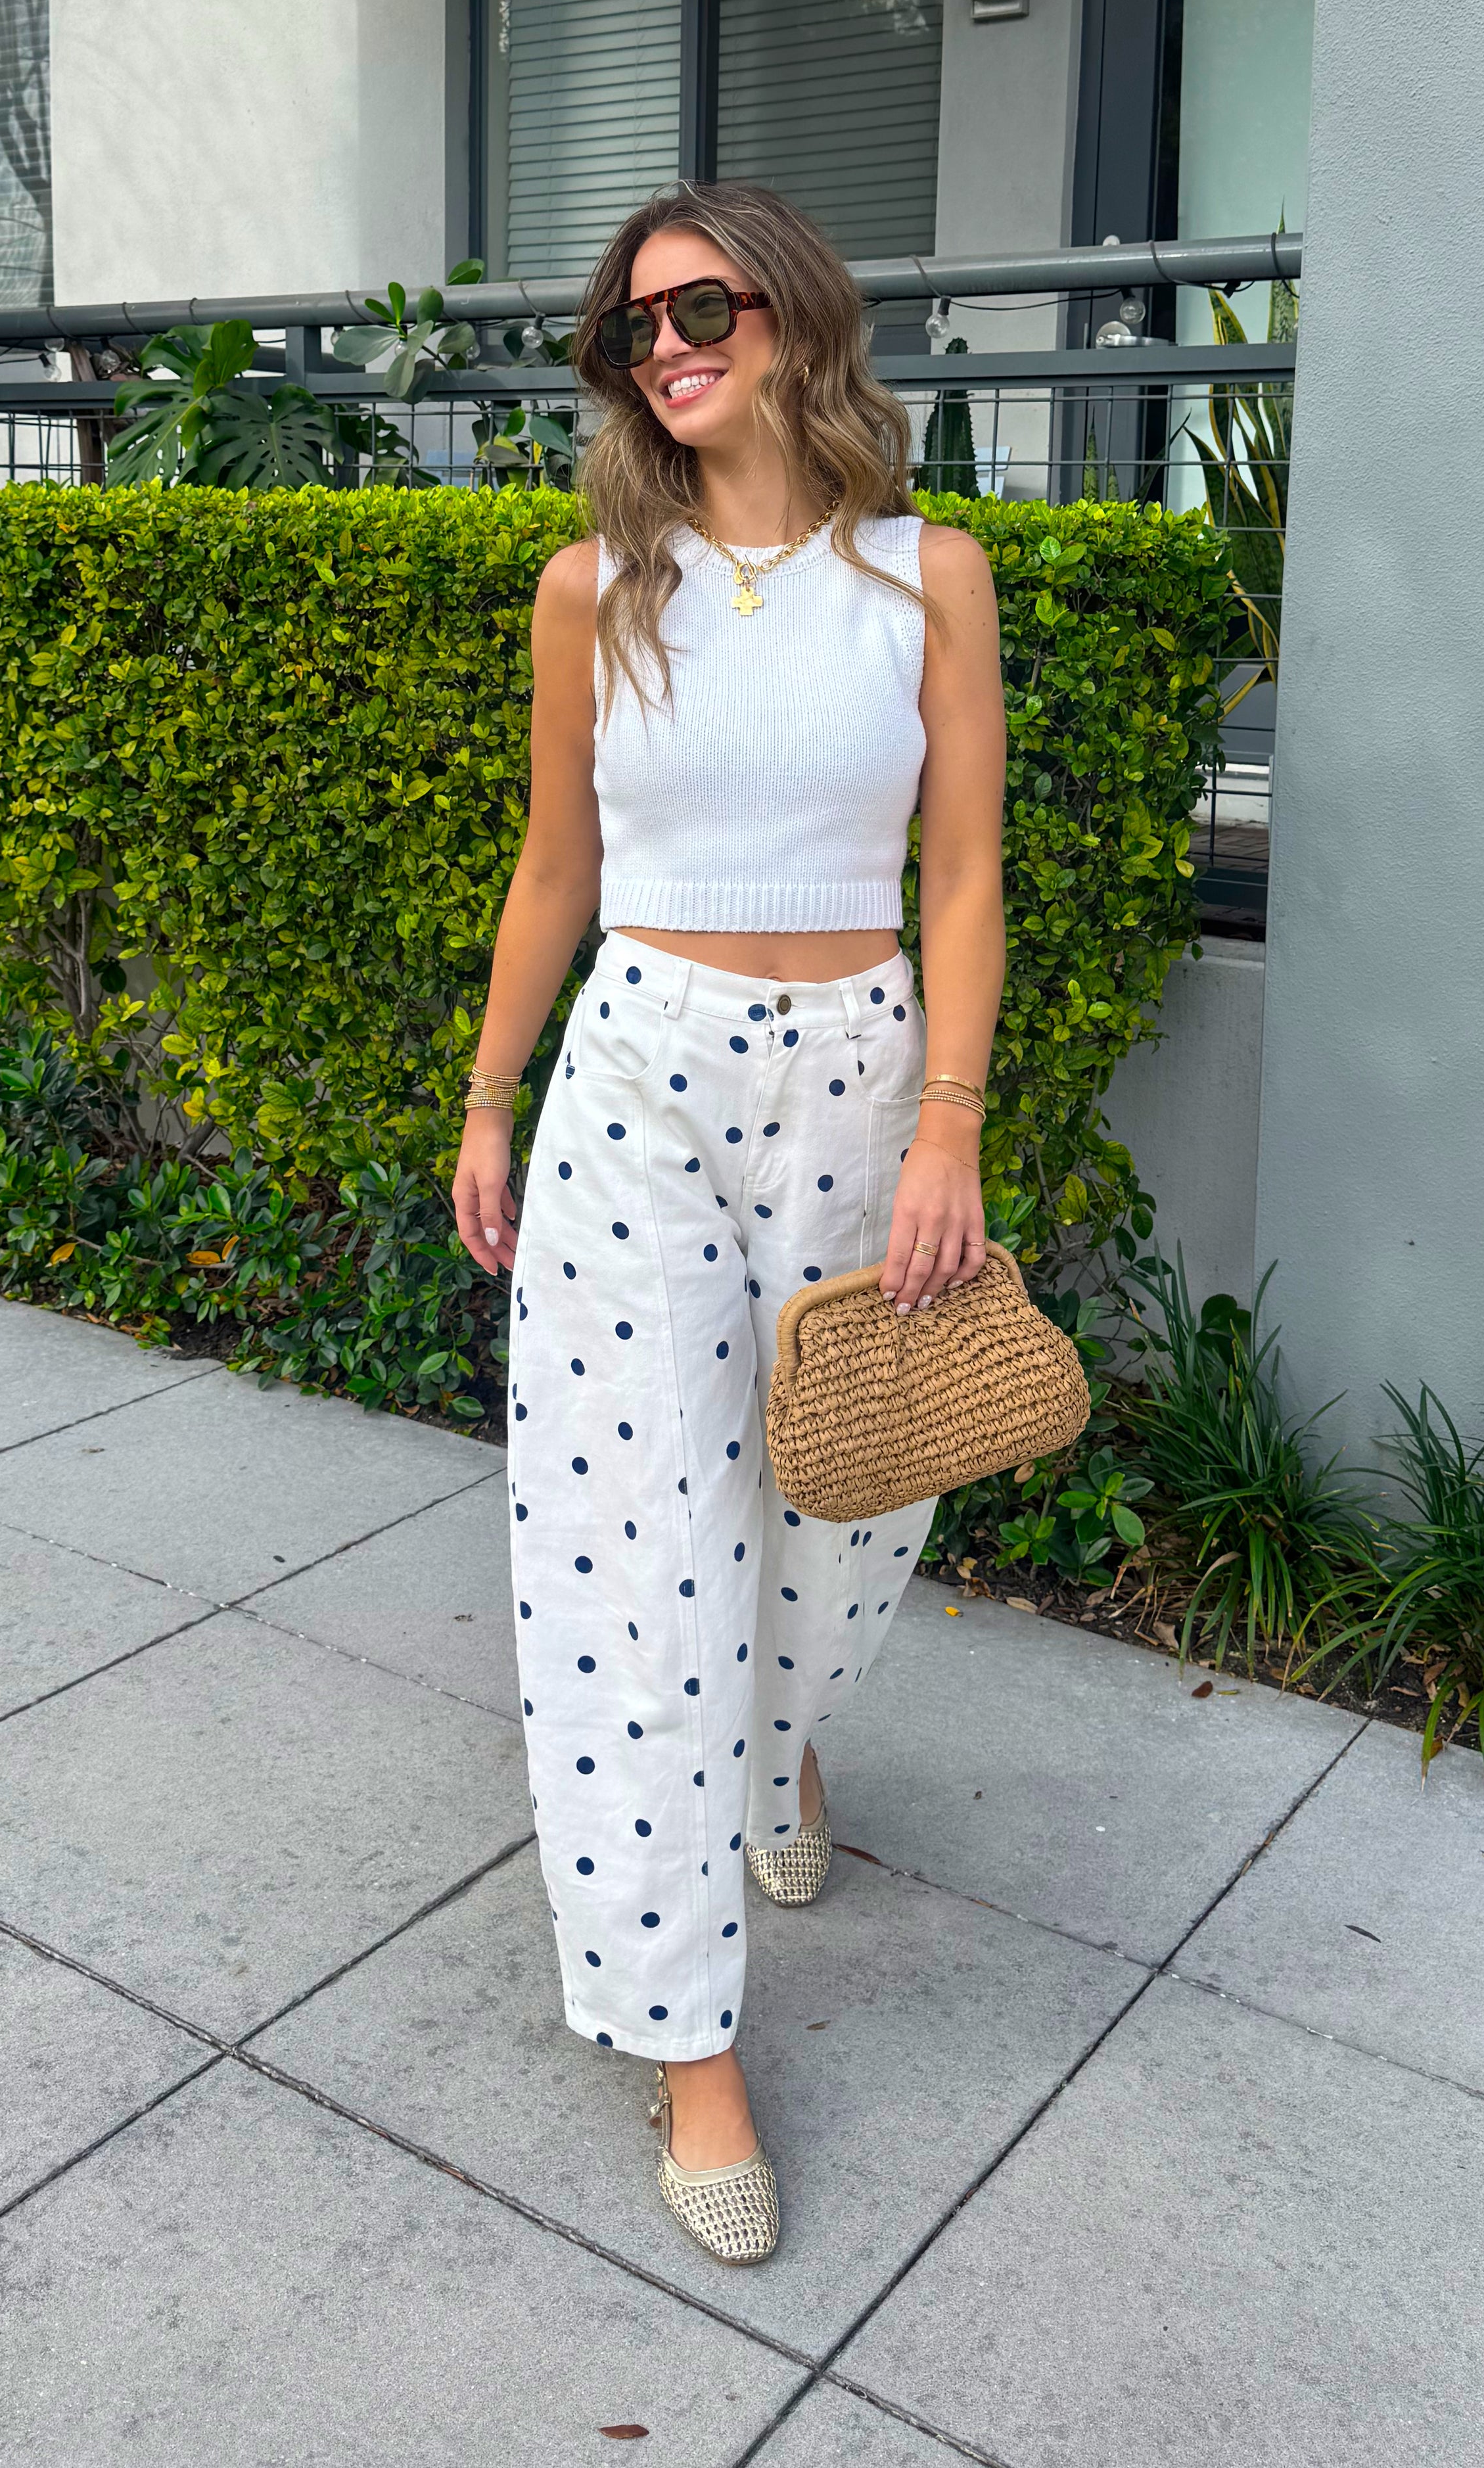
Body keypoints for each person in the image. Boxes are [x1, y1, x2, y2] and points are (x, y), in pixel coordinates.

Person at [452, 181, 1008, 2266]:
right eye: (632, 330)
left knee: (852, 1503)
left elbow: (965, 872)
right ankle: (689, 2042)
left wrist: (950, 1125)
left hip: (862, 1077)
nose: (667, 350)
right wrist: (488, 1095)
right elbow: (552, 871)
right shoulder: (593, 590)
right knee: (636, 1558)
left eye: (701, 310)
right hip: (642, 1084)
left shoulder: (925, 577)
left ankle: (778, 1748)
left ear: (792, 315)